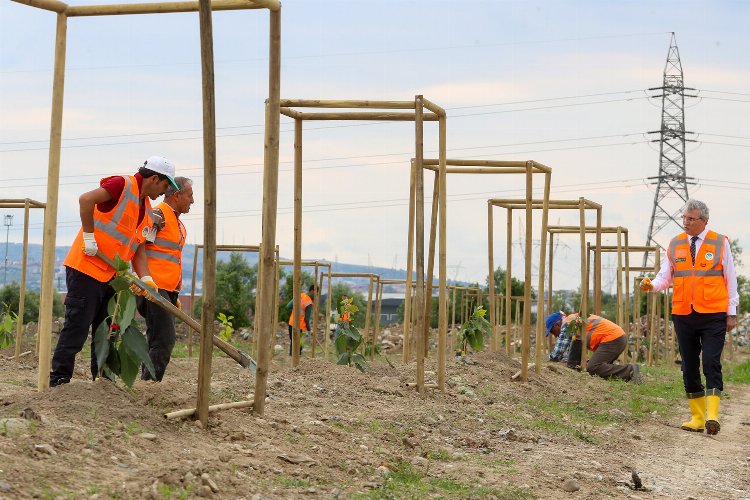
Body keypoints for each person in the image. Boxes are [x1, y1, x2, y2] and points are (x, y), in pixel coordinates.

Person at [49, 156, 178, 387]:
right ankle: (59, 381)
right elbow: (86, 200)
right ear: (155, 178)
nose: (165, 192)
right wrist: (88, 236)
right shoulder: (122, 184)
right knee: (77, 329)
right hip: (86, 269)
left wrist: (146, 278)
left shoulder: (147, 209)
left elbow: (138, 248)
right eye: (166, 186)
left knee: (107, 332)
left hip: (111, 276)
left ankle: (103, 383)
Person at [640, 199, 738, 435]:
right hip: (684, 313)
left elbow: (730, 278)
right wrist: (651, 285)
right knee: (689, 366)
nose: (686, 223)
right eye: (684, 218)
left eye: (691, 219)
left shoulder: (719, 242)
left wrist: (731, 312)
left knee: (711, 362)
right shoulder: (675, 244)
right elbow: (665, 277)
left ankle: (712, 416)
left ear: (704, 221)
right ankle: (697, 417)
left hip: (713, 313)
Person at [136, 176, 193, 382]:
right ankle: (150, 384)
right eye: (190, 196)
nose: (192, 201)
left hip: (165, 290)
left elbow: (170, 258)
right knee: (165, 339)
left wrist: (173, 292)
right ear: (176, 195)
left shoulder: (176, 222)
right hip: (153, 287)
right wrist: (142, 279)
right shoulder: (158, 215)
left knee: (156, 338)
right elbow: (138, 245)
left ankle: (147, 383)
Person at [545, 311, 642, 383]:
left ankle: (630, 371)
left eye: (553, 332)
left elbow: (558, 352)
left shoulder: (568, 323)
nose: (555, 336)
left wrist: (549, 359)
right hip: (617, 337)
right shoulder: (574, 320)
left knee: (593, 367)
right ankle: (627, 373)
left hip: (613, 339)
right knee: (594, 365)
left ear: (557, 324)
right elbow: (571, 351)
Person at [286, 284, 316, 356]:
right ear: (312, 291)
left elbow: (288, 306)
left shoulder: (300, 295)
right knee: (299, 345)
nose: (317, 295)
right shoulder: (309, 302)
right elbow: (306, 318)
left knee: (293, 342)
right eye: (317, 293)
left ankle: (291, 361)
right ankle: (296, 363)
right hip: (300, 326)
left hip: (291, 323)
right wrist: (309, 328)